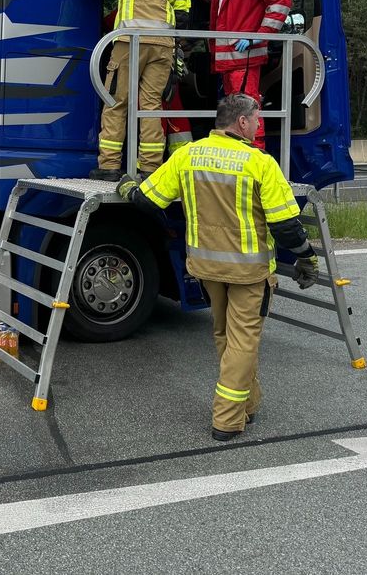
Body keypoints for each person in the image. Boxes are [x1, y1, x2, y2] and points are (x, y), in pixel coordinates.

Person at [116, 93, 318, 441]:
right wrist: (306, 256)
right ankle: (226, 419)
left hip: (206, 268)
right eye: (256, 119)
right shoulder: (260, 162)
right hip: (248, 272)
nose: (258, 125)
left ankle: (248, 404)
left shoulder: (188, 155)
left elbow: (148, 200)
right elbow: (285, 225)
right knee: (243, 342)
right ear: (242, 122)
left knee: (226, 335)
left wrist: (127, 187)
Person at [81, 0, 190, 181]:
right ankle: (150, 168)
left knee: (116, 101)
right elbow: (183, 13)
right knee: (151, 106)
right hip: (163, 46)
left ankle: (109, 166)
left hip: (129, 42)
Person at [192, 0, 292, 149]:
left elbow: (281, 1)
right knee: (235, 112)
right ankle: (238, 151)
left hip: (244, 57)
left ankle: (256, 154)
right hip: (227, 59)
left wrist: (260, 35)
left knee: (247, 110)